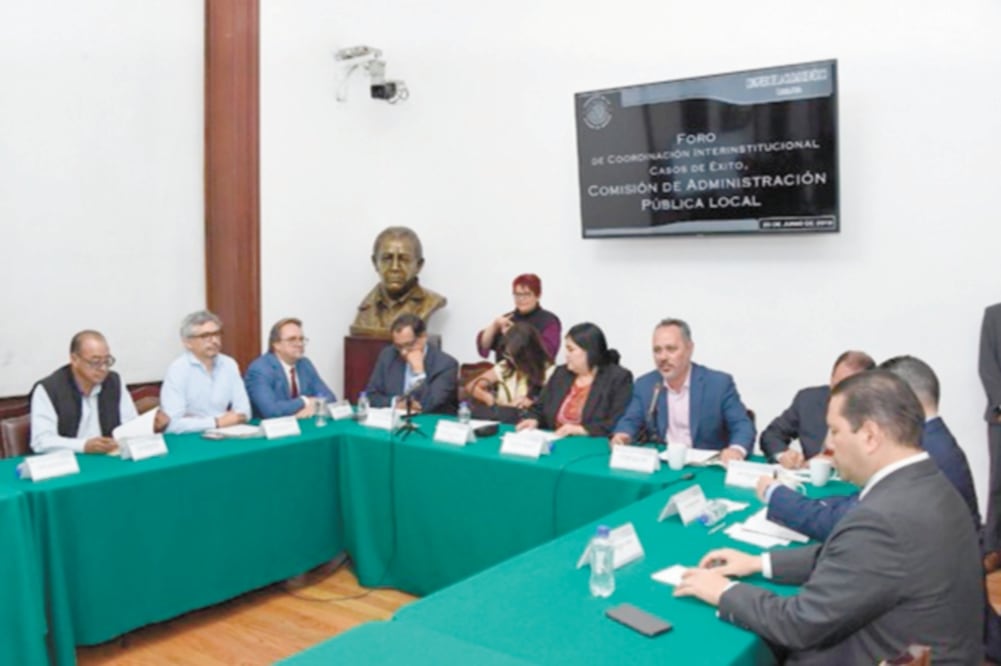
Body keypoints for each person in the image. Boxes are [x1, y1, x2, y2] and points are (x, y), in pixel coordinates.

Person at [675, 370, 984, 664]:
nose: (828, 445)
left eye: (835, 431)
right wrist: (759, 563)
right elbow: (848, 556)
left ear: (869, 436)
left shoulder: (883, 519)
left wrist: (724, 592)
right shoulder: (929, 482)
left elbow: (799, 623)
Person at [759, 355, 981, 541]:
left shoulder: (921, 451)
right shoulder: (933, 438)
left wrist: (776, 495)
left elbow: (849, 523)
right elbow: (863, 500)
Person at [610, 318, 754, 464]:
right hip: (663, 465)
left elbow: (742, 425)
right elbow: (629, 420)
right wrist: (622, 436)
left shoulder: (718, 384)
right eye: (657, 350)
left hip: (706, 468)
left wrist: (735, 450)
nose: (663, 357)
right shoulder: (646, 384)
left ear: (689, 349)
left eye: (671, 349)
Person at [759, 350, 875, 468]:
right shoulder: (808, 400)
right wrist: (784, 455)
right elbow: (772, 435)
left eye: (848, 387)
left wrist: (834, 460)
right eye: (836, 383)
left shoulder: (879, 412)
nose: (840, 392)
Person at [30, 330, 139, 453]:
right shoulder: (49, 389)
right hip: (68, 463)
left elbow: (131, 424)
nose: (103, 368)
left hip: (109, 459)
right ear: (74, 359)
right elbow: (41, 441)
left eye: (107, 361)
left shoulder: (114, 382)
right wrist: (83, 445)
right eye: (95, 362)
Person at [516, 322, 632, 437]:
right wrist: (534, 420)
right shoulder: (560, 373)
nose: (567, 355)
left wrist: (581, 430)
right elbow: (539, 408)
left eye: (571, 350)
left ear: (590, 351)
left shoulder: (618, 378)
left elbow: (617, 421)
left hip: (592, 445)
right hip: (556, 441)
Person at [161, 310, 251, 433]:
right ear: (187, 343)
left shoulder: (229, 364)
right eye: (205, 336)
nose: (214, 341)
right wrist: (216, 422)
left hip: (226, 432)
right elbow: (172, 423)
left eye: (217, 334)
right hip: (193, 440)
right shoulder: (178, 369)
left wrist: (223, 421)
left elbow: (245, 411)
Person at [350, 226, 447, 337]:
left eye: (404, 259)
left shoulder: (431, 302)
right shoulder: (366, 309)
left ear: (419, 265)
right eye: (387, 258)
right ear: (375, 263)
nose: (395, 267)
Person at [364, 314, 458, 414]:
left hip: (429, 424)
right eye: (398, 346)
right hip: (393, 422)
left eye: (409, 345)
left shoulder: (446, 365)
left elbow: (429, 405)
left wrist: (419, 372)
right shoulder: (388, 355)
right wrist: (396, 402)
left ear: (423, 337)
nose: (403, 352)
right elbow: (370, 396)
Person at [245, 317, 337, 419]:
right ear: (276, 344)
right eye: (292, 339)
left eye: (301, 339)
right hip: (271, 431)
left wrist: (312, 408)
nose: (299, 344)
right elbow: (271, 411)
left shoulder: (304, 364)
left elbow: (330, 398)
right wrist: (305, 401)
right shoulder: (260, 369)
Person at [465, 322, 554, 423]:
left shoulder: (549, 371)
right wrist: (489, 399)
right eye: (508, 355)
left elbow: (553, 409)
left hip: (528, 424)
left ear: (530, 353)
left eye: (517, 357)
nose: (513, 361)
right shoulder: (506, 366)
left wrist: (531, 404)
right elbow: (471, 386)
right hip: (502, 420)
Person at [475, 274, 561, 361]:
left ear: (538, 296)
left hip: (535, 372)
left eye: (526, 294)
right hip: (505, 371)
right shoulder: (507, 319)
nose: (521, 299)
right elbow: (484, 346)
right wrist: (495, 325)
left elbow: (547, 354)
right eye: (517, 294)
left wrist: (513, 334)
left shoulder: (549, 321)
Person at [980, 302, 1001, 556]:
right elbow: (987, 367)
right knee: (998, 484)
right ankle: (995, 548)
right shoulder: (994, 315)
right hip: (1000, 418)